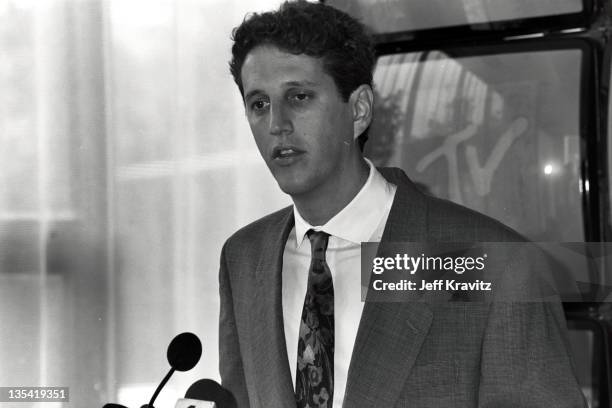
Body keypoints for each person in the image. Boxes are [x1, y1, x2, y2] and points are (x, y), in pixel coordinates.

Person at [218, 1, 585, 407]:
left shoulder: (497, 264)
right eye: (259, 104)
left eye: (299, 97)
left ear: (358, 110)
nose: (276, 125)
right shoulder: (243, 259)